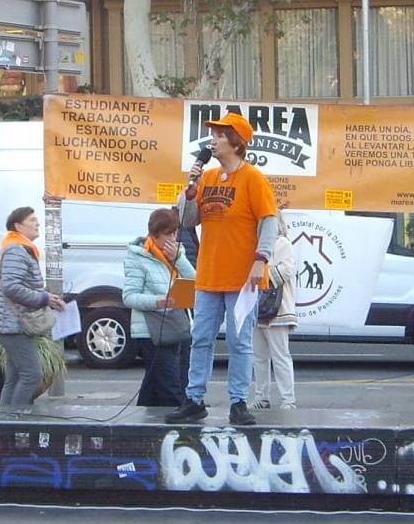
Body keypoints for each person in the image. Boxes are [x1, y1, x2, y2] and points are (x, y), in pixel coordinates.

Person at [167, 111, 278, 427]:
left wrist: (261, 258)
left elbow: (268, 220)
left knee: (239, 341)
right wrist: (188, 191)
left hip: (243, 278)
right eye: (212, 135)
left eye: (218, 135)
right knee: (200, 336)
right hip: (210, 275)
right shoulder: (207, 178)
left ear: (236, 142)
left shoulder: (253, 178)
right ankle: (194, 399)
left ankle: (239, 401)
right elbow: (189, 221)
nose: (212, 141)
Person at [0, 206, 65, 409]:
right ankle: (16, 420)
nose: (37, 223)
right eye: (32, 220)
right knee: (32, 375)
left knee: (14, 378)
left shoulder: (17, 248)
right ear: (18, 225)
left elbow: (18, 285)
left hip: (13, 323)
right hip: (14, 324)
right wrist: (43, 299)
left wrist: (46, 296)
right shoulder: (16, 249)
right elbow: (11, 287)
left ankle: (5, 421)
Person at [122, 207, 196, 406]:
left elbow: (195, 281)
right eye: (168, 234)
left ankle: (143, 422)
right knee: (169, 384)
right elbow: (129, 297)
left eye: (175, 233)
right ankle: (177, 427)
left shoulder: (177, 253)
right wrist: (157, 301)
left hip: (177, 324)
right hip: (152, 329)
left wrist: (178, 260)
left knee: (159, 381)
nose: (173, 238)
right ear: (154, 236)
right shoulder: (138, 257)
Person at [251, 215, 297, 410]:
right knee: (258, 357)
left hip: (277, 309)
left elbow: (287, 270)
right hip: (255, 307)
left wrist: (261, 273)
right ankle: (261, 397)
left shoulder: (282, 243)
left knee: (280, 356)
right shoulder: (253, 243)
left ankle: (288, 399)